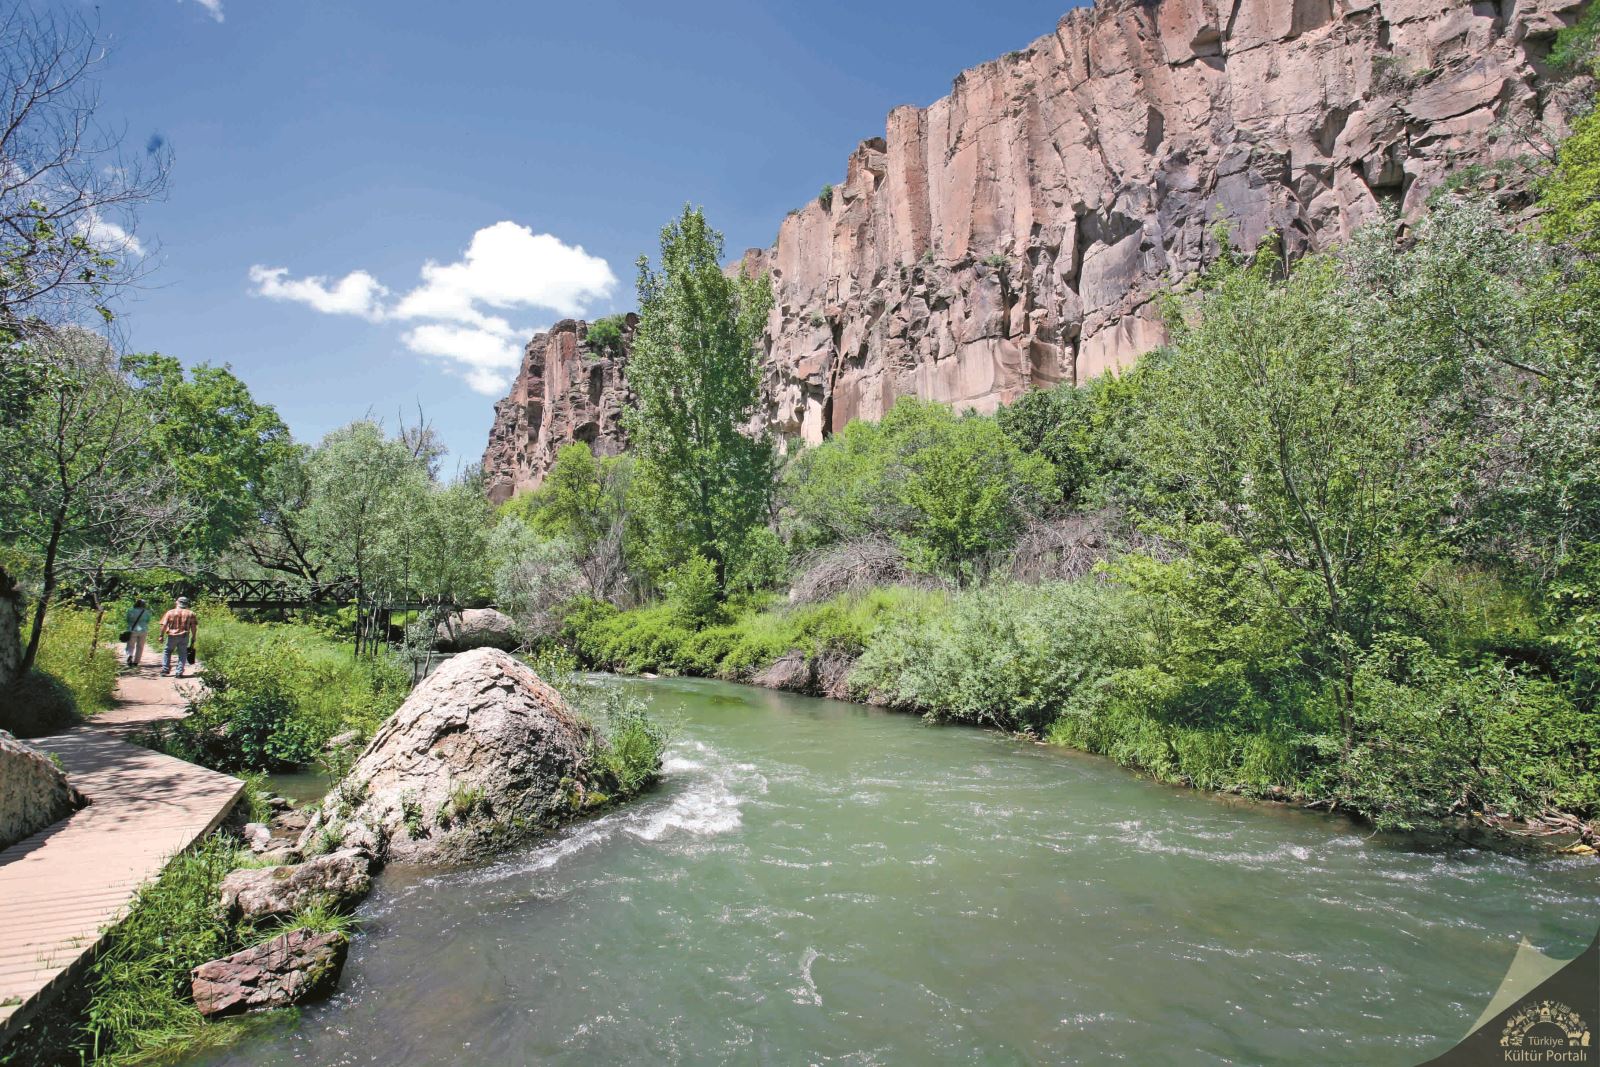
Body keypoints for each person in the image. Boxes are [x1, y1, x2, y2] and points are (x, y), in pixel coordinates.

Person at [159, 596, 198, 678]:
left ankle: (165, 670)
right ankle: (179, 672)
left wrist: (161, 635)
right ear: (186, 604)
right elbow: (193, 627)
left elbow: (164, 625)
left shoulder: (170, 612)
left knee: (167, 651)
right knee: (182, 654)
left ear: (177, 602)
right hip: (184, 636)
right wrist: (193, 636)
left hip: (172, 636)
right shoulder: (191, 613)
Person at [124, 598, 153, 667]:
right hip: (143, 630)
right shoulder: (146, 611)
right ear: (144, 605)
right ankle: (136, 662)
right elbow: (148, 621)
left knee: (130, 645)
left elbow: (127, 620)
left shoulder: (130, 610)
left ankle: (129, 656)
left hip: (132, 629)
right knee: (140, 646)